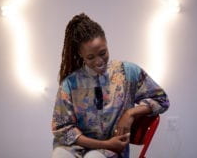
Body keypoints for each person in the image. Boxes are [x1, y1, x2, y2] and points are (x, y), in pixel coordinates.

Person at [51, 13, 169, 158]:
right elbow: (62, 130)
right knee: (59, 155)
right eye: (90, 57)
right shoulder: (70, 84)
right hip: (77, 147)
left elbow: (162, 100)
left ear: (107, 43)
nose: (99, 61)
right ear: (81, 54)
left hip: (112, 152)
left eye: (103, 53)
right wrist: (105, 144)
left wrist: (130, 113)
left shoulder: (128, 73)